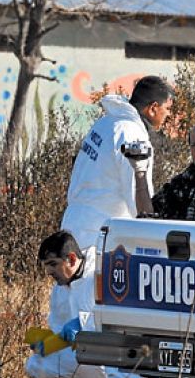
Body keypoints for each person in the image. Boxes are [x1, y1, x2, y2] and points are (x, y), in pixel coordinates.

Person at [60, 75, 175, 250]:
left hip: (75, 225)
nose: (169, 115)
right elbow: (137, 198)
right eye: (167, 108)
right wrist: (153, 235)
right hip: (99, 235)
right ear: (153, 108)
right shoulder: (132, 135)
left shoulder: (106, 122)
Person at [24, 230, 125, 378]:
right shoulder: (59, 289)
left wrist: (84, 323)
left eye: (53, 264)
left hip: (111, 356)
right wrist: (48, 342)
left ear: (71, 259)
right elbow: (61, 330)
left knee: (86, 357)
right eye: (46, 266)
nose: (49, 272)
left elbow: (118, 319)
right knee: (35, 365)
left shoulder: (102, 273)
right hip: (81, 352)